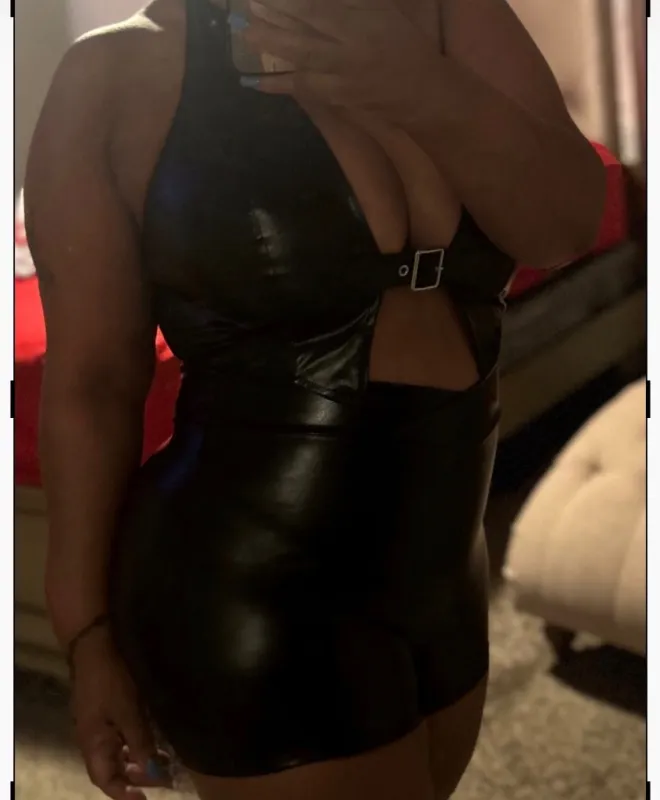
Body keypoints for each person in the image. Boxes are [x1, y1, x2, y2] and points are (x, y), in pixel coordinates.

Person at [24, 0, 605, 798]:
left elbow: (564, 227)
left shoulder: (448, 12)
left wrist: (417, 84)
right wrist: (87, 636)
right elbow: (93, 386)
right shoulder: (116, 73)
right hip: (250, 590)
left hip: (442, 566)